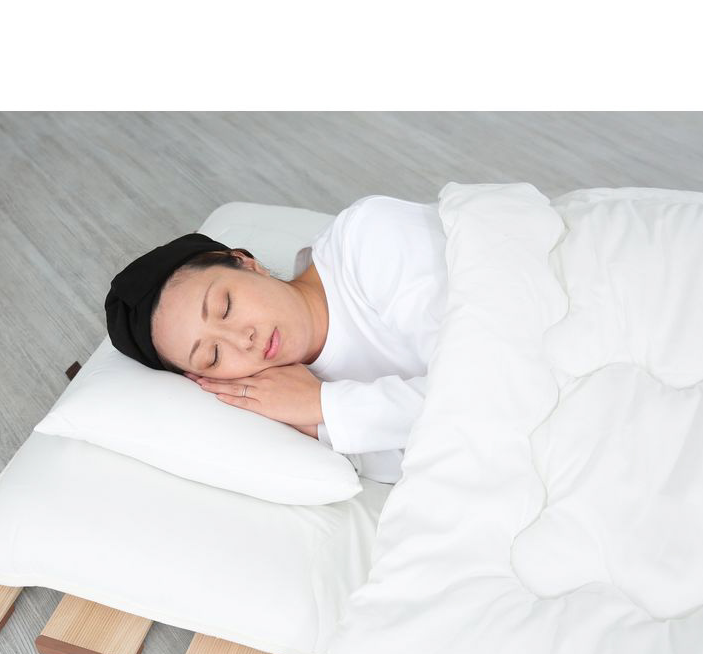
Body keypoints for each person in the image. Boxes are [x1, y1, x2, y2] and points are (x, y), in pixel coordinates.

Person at [104, 195, 448, 484]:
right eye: (213, 355)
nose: (243, 340)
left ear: (247, 263)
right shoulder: (292, 396)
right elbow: (427, 462)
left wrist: (323, 405)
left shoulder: (369, 237)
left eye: (226, 307)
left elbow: (474, 393)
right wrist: (318, 422)